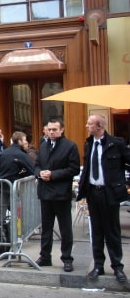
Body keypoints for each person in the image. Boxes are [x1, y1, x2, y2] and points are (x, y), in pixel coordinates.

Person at [76, 114, 130, 283]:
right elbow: (88, 168)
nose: (86, 126)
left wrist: (125, 184)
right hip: (94, 192)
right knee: (96, 231)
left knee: (112, 231)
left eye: (89, 124)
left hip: (110, 193)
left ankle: (117, 267)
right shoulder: (89, 143)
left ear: (99, 126)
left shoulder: (116, 144)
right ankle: (98, 265)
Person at [34, 119, 80, 272]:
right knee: (46, 227)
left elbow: (74, 169)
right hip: (45, 192)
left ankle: (67, 258)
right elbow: (37, 165)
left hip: (61, 193)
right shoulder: (44, 145)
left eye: (55, 129)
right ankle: (45, 256)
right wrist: (40, 173)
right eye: (49, 129)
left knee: (65, 227)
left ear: (62, 130)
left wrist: (53, 174)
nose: (52, 132)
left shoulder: (70, 146)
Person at [0, 131, 34, 224]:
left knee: (3, 207)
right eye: (24, 140)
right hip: (14, 185)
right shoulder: (21, 154)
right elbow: (32, 169)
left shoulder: (4, 153)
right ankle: (16, 229)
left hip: (3, 183)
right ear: (19, 141)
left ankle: (1, 228)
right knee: (17, 208)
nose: (26, 142)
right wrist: (21, 175)